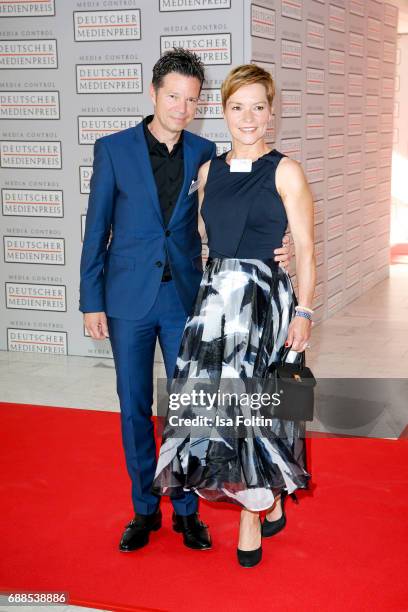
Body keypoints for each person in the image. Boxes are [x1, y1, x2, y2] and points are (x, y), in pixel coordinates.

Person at [79, 50, 292, 553]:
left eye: (191, 99)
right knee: (133, 407)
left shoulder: (204, 154)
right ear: (154, 93)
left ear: (200, 105)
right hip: (127, 299)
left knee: (191, 409)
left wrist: (281, 247)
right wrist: (92, 301)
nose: (181, 107)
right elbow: (96, 230)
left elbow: (240, 208)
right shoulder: (113, 150)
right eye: (173, 96)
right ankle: (144, 509)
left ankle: (188, 511)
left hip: (188, 302)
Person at [152, 63, 316, 567]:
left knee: (256, 408)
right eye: (237, 107)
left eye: (258, 108)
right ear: (223, 112)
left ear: (272, 114)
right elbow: (205, 241)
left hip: (265, 306)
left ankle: (252, 512)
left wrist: (305, 309)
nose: (248, 118)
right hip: (216, 305)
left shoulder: (286, 170)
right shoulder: (209, 172)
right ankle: (264, 500)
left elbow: (306, 250)